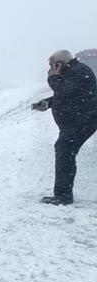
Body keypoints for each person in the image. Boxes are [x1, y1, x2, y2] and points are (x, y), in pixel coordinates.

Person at [33, 50, 97, 205]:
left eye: (51, 64)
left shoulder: (79, 71)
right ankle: (63, 194)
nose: (49, 68)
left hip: (81, 122)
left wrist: (53, 77)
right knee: (65, 151)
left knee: (65, 151)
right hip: (75, 122)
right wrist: (48, 103)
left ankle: (63, 196)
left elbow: (63, 89)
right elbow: (65, 95)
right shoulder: (73, 72)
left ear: (59, 63)